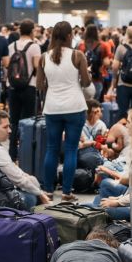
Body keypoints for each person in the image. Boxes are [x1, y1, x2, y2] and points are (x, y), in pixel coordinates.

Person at [37, 21, 91, 201]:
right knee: (71, 149)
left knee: (51, 149)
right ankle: (67, 192)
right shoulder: (77, 55)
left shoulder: (44, 57)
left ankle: (49, 190)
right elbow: (86, 82)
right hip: (75, 107)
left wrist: (54, 86)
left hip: (52, 108)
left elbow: (39, 85)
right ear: (69, 36)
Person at [0, 109, 49, 208]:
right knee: (31, 198)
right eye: (5, 127)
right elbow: (19, 180)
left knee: (30, 184)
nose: (10, 131)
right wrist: (40, 193)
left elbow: (17, 173)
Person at [6, 19, 41, 161]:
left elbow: (8, 66)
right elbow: (37, 67)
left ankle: (12, 154)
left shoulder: (11, 46)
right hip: (29, 87)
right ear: (32, 31)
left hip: (13, 86)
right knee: (27, 121)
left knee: (14, 122)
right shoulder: (34, 47)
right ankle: (25, 153)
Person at [78, 99, 108, 171]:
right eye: (95, 112)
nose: (98, 113)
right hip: (82, 153)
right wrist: (91, 143)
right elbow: (80, 144)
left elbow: (103, 145)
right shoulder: (81, 124)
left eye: (99, 111)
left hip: (96, 153)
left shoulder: (101, 125)